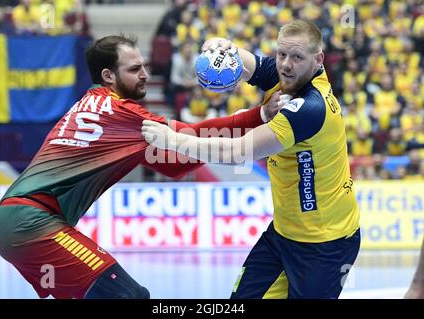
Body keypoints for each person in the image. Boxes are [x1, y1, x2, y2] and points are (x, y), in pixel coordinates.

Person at [0, 34, 280, 299]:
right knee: (130, 297)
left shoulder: (92, 105)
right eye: (134, 69)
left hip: (19, 221)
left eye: (143, 66)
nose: (144, 75)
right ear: (108, 75)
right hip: (31, 222)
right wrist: (260, 115)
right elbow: (192, 139)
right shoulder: (122, 114)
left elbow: (177, 163)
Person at [142, 20, 361, 299]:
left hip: (325, 243)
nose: (285, 64)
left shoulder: (310, 108)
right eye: (281, 54)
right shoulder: (284, 78)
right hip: (282, 234)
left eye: (296, 57)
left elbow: (238, 152)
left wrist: (173, 141)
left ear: (318, 60)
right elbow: (240, 58)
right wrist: (218, 45)